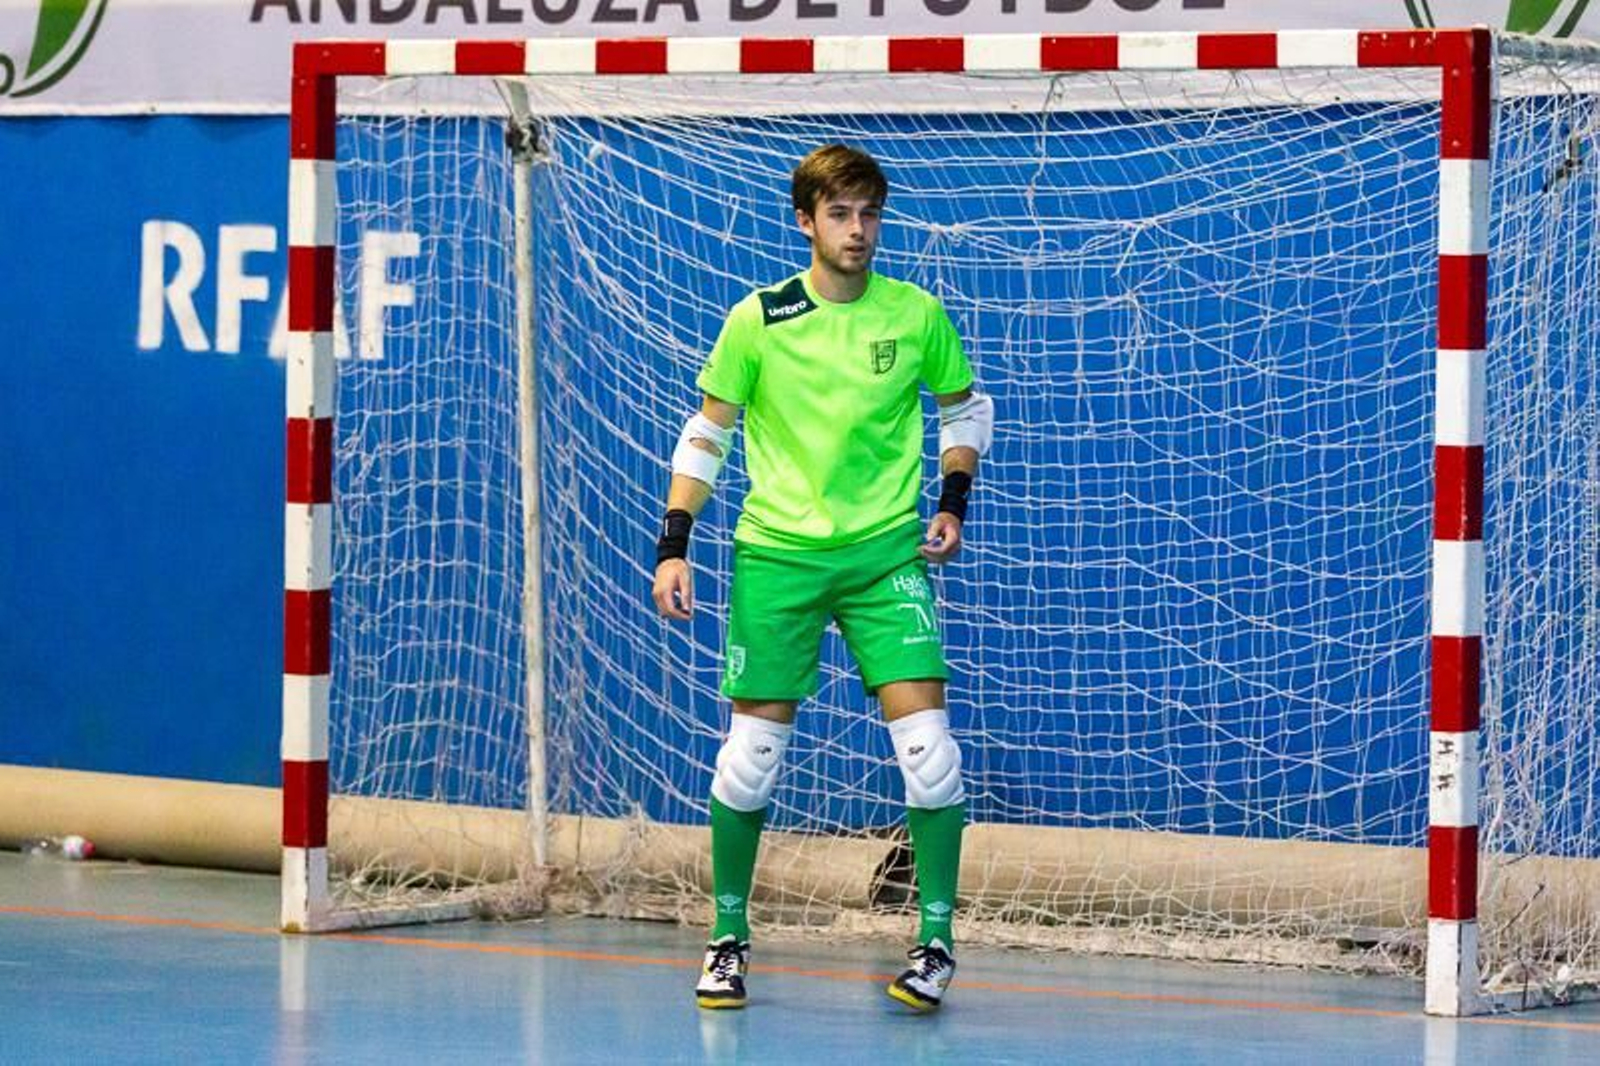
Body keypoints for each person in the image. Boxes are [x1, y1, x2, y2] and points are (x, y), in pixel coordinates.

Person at [650, 144, 994, 1013]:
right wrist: (674, 542)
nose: (859, 230)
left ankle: (936, 942)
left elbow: (966, 409)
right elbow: (707, 433)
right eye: (840, 214)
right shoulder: (759, 320)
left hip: (885, 558)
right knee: (751, 762)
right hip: (778, 559)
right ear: (806, 221)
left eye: (870, 213)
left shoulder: (914, 314)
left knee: (931, 757)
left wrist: (953, 497)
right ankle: (728, 937)